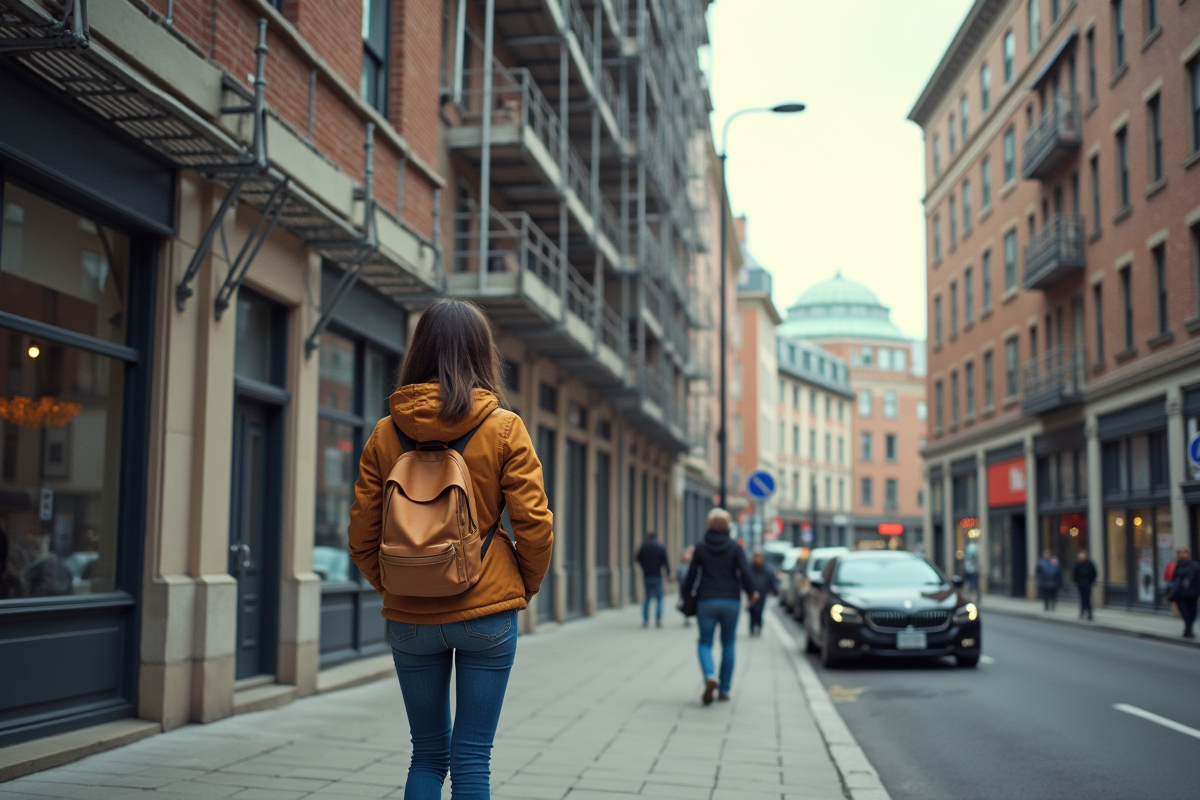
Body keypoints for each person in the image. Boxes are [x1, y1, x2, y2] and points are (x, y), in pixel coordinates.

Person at [348, 299, 554, 800]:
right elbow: (535, 525)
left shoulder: (384, 433)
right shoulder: (504, 427)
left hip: (410, 619)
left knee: (426, 754)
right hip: (487, 611)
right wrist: (521, 585)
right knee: (472, 758)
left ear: (418, 352)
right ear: (483, 355)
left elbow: (361, 534)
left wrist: (396, 582)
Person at [681, 508, 758, 705]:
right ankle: (724, 690)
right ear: (727, 526)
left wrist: (685, 596)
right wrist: (752, 593)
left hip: (706, 600)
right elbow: (745, 572)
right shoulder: (735, 547)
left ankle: (709, 675)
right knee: (728, 644)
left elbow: (691, 575)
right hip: (731, 601)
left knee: (705, 642)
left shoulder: (700, 547)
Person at [636, 532, 671, 628]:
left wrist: (644, 567)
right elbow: (665, 562)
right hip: (657, 576)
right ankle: (658, 620)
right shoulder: (660, 547)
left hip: (647, 576)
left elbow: (638, 559)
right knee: (659, 598)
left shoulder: (643, 547)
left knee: (647, 598)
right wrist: (668, 575)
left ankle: (646, 620)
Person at [1166, 547, 1199, 639]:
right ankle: (1188, 631)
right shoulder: (1176, 565)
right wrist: (1168, 594)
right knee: (1186, 614)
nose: (1182, 554)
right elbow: (1172, 581)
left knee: (1193, 613)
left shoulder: (1195, 565)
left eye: (1184, 552)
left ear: (1188, 554)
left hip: (1193, 593)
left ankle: (1187, 631)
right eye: (1180, 553)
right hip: (1180, 594)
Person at [746, 550, 778, 637]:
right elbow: (745, 579)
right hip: (752, 593)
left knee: (759, 611)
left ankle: (758, 626)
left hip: (762, 594)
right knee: (753, 611)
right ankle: (752, 627)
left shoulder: (767, 569)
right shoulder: (750, 568)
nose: (758, 560)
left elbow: (772, 580)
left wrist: (773, 591)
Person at [1072, 549, 1097, 621]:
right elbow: (1074, 574)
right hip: (1080, 583)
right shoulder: (1077, 564)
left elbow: (1094, 573)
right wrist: (1076, 582)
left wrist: (1092, 581)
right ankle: (1082, 611)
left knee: (1087, 598)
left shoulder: (1089, 564)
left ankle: (1089, 612)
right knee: (1082, 598)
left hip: (1087, 583)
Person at [676, 546, 694, 626]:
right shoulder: (682, 566)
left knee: (687, 601)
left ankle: (687, 616)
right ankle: (686, 616)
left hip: (688, 587)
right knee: (685, 601)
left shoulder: (691, 565)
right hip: (684, 586)